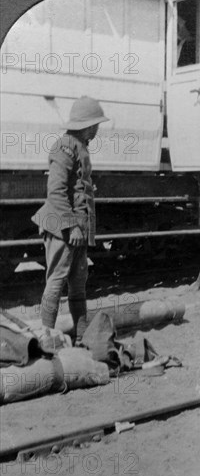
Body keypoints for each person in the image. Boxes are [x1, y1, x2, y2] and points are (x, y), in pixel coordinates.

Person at [31, 96, 109, 332]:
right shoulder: (65, 146)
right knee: (56, 281)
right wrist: (72, 226)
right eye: (96, 125)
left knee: (78, 284)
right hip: (63, 228)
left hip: (77, 229)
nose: (97, 129)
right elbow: (55, 191)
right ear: (87, 125)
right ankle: (46, 338)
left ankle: (81, 337)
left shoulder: (79, 146)